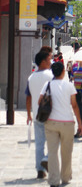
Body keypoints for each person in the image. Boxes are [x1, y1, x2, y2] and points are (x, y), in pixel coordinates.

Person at [40, 62, 82, 187]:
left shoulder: (47, 85)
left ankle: (53, 180)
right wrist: (80, 122)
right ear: (63, 71)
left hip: (51, 122)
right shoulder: (69, 86)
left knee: (52, 152)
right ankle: (65, 176)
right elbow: (74, 105)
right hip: (67, 122)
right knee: (67, 151)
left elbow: (39, 101)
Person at [25, 50, 53, 179]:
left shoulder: (31, 78)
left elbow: (28, 97)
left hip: (37, 114)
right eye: (49, 59)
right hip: (51, 114)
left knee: (39, 143)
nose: (51, 62)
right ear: (43, 62)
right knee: (55, 141)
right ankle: (47, 159)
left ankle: (40, 170)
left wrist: (28, 114)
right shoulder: (51, 75)